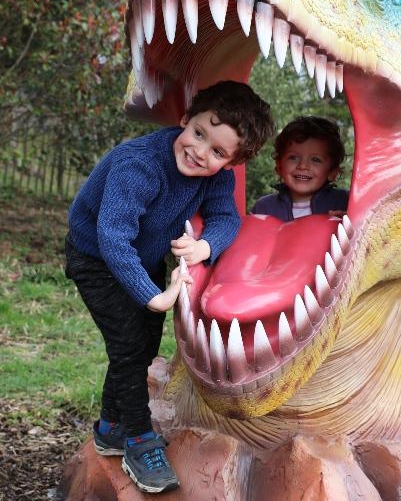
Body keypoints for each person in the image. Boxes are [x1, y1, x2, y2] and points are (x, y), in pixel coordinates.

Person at [64, 81, 273, 494]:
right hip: (95, 257)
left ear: (231, 162)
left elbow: (226, 219)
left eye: (217, 152)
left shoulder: (214, 178)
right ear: (184, 120)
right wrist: (152, 296)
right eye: (199, 134)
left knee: (143, 345)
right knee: (127, 344)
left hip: (142, 258)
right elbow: (114, 238)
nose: (200, 152)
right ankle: (139, 440)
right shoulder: (139, 164)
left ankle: (110, 425)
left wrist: (203, 247)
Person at [251, 115, 349, 221]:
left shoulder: (345, 202)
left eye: (315, 159)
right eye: (293, 157)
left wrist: (351, 221)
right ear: (279, 166)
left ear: (332, 172)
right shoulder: (264, 208)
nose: (302, 166)